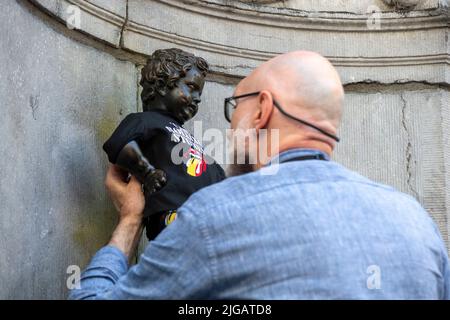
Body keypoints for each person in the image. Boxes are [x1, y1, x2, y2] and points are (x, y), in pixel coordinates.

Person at [70, 51, 450, 299]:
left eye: (232, 109)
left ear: (260, 111)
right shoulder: (416, 222)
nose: (230, 128)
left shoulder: (211, 218)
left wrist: (129, 222)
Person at [102, 48, 225, 240]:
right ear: (161, 84)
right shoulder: (145, 121)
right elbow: (120, 144)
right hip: (173, 214)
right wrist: (147, 172)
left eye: (199, 93)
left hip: (210, 217)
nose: (198, 98)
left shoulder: (187, 136)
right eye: (191, 87)